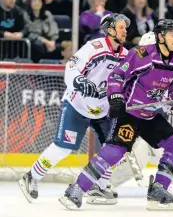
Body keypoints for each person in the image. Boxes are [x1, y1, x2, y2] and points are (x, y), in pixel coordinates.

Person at [59, 19, 173, 211]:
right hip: (129, 114)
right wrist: (115, 97)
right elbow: (116, 76)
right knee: (115, 152)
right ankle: (76, 190)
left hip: (150, 116)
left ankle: (158, 190)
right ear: (160, 36)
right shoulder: (141, 55)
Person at [18, 13, 130, 205]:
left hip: (103, 109)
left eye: (125, 27)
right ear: (110, 29)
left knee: (112, 148)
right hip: (78, 104)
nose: (125, 30)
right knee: (63, 148)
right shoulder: (94, 48)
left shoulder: (126, 56)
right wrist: (79, 80)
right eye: (121, 27)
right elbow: (71, 67)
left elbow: (131, 82)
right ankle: (31, 176)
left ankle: (98, 187)